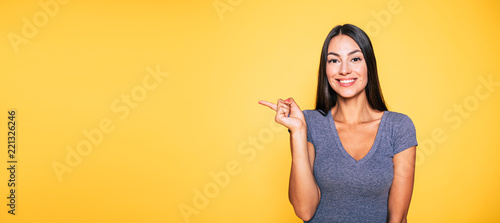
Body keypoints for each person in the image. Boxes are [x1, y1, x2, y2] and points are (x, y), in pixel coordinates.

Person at [258, 24, 417, 222]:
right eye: (334, 60)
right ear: (326, 69)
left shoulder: (398, 127)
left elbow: (398, 218)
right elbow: (304, 210)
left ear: (369, 65)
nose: (344, 70)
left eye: (355, 59)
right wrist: (298, 131)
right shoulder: (309, 123)